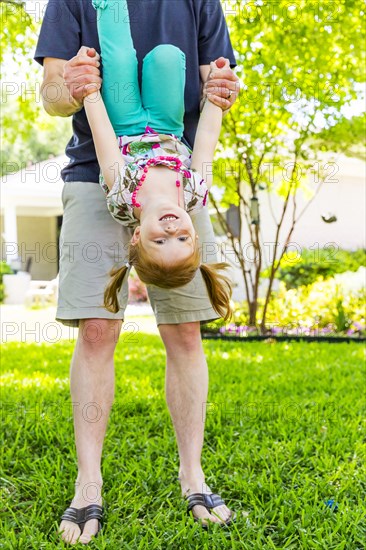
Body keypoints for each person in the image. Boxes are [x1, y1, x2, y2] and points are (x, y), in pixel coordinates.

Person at [35, 0, 240, 544]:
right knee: (96, 328)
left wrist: (220, 90)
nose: (173, 231)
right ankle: (88, 484)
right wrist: (77, 87)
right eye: (175, 235)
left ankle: (192, 475)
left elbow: (213, 82)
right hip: (91, 171)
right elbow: (53, 93)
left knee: (186, 329)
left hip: (168, 173)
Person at [82, 0, 232, 322]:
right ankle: (160, 63)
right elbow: (205, 142)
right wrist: (217, 99)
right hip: (168, 124)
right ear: (194, 233)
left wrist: (91, 94)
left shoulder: (124, 198)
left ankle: (109, 4)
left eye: (160, 240)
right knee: (167, 57)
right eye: (182, 238)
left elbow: (105, 145)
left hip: (123, 124)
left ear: (137, 237)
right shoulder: (194, 193)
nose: (172, 227)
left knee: (119, 58)